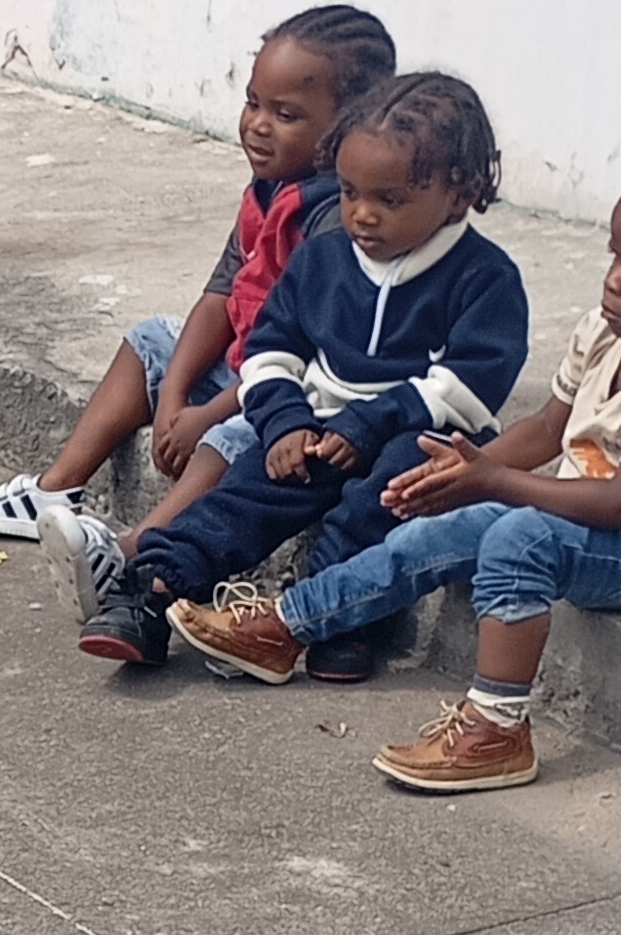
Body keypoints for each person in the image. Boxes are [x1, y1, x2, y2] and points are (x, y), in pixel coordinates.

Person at [72, 71, 530, 674]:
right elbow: (270, 351)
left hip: (419, 432)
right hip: (319, 423)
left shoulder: (485, 277)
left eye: (389, 201)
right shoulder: (323, 260)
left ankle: (333, 619)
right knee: (245, 490)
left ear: (460, 192)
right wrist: (285, 421)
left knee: (388, 495)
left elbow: (471, 384)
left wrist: (372, 421)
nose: (362, 215)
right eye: (348, 192)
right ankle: (153, 592)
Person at [168, 193, 621, 792]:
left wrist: (498, 483)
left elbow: (614, 504)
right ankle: (289, 625)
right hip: (574, 517)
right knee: (431, 532)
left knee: (520, 537)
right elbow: (544, 429)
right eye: (614, 255)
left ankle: (497, 727)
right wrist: (464, 471)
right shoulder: (601, 332)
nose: (614, 280)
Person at [0, 2, 394, 554]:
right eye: (252, 103)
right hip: (242, 367)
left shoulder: (337, 223)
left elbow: (308, 362)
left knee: (233, 436)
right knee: (150, 341)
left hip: (293, 394)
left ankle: (135, 551)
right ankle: (56, 490)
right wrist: (174, 396)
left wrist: (204, 414)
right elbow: (219, 297)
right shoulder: (269, 189)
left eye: (285, 115)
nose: (257, 125)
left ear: (349, 124)